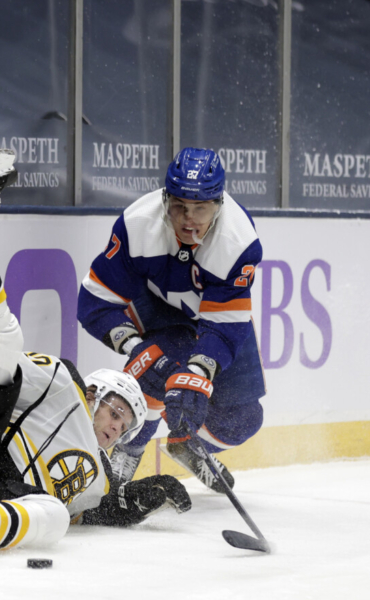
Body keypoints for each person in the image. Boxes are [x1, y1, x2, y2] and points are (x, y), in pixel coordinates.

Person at [0, 149, 191, 550]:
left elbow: (99, 509)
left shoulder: (99, 482)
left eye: (124, 428)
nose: (116, 428)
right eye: (116, 412)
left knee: (56, 516)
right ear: (93, 394)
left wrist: (138, 499)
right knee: (3, 339)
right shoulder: (63, 383)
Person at [77, 147, 265, 494]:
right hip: (156, 306)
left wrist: (197, 375)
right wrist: (137, 348)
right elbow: (94, 301)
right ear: (165, 199)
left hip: (213, 317)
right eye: (179, 206)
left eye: (200, 208)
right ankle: (128, 452)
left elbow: (224, 327)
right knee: (155, 366)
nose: (188, 219)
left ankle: (186, 445)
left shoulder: (239, 242)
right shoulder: (137, 224)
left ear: (219, 204)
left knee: (245, 418)